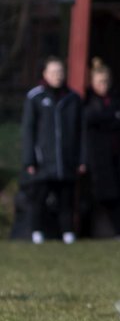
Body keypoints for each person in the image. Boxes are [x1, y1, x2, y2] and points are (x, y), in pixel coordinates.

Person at [21, 56, 83, 244]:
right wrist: (29, 159)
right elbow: (28, 131)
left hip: (65, 161)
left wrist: (81, 158)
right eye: (53, 72)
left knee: (66, 199)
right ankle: (36, 232)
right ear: (45, 74)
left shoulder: (73, 99)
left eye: (60, 72)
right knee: (38, 199)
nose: (58, 76)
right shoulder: (35, 97)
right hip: (43, 161)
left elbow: (80, 132)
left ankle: (67, 233)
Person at [83, 58, 120, 238]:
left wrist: (104, 118)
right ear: (93, 82)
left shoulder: (119, 98)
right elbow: (90, 118)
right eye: (100, 81)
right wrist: (112, 117)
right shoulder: (88, 101)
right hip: (99, 157)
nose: (104, 85)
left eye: (106, 81)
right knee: (103, 194)